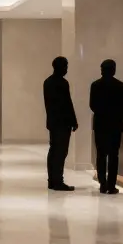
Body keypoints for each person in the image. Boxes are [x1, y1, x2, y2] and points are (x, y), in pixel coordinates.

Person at [89, 59, 123, 194]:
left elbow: (92, 105)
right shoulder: (120, 86)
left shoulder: (95, 85)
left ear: (102, 70)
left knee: (101, 155)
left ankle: (102, 183)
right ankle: (111, 185)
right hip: (115, 125)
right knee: (113, 155)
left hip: (100, 124)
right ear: (114, 70)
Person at [42, 56, 79, 191]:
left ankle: (52, 180)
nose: (66, 69)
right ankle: (58, 181)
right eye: (66, 66)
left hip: (53, 122)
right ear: (61, 67)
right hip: (63, 123)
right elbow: (67, 104)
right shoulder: (62, 83)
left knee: (53, 151)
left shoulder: (47, 82)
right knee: (61, 152)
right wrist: (74, 121)